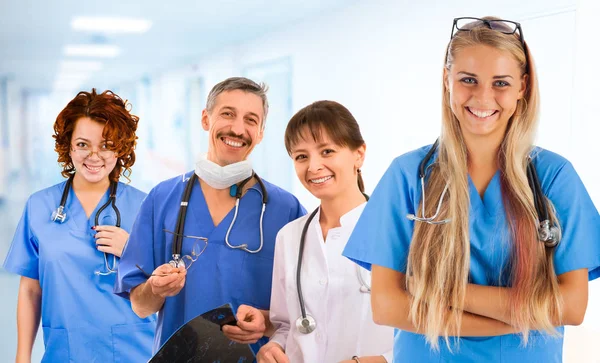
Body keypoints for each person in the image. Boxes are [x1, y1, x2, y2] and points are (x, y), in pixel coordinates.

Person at [342, 16, 600, 362]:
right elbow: (387, 307)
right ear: (447, 80)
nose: (483, 97)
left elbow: (571, 307)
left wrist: (448, 293)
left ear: (523, 87)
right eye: (468, 79)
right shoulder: (407, 176)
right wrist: (522, 318)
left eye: (501, 83)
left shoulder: (554, 177)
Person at [115, 77, 305, 356]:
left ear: (261, 132)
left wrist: (264, 323)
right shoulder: (162, 199)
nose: (238, 129)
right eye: (227, 114)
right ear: (206, 119)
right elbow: (140, 306)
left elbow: (304, 311)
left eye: (251, 120)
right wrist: (155, 289)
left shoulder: (285, 209)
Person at [3, 89, 156, 363]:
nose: (94, 156)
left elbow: (165, 284)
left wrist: (132, 250)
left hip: (134, 352)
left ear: (121, 148)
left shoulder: (146, 207)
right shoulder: (39, 206)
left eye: (107, 144)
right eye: (83, 144)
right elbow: (30, 289)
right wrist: (22, 356)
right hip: (66, 351)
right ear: (68, 146)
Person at [256, 101, 394, 363]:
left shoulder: (398, 231)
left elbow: (428, 331)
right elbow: (287, 325)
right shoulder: (289, 237)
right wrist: (273, 348)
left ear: (359, 154)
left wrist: (382, 360)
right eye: (301, 156)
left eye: (327, 151)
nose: (313, 166)